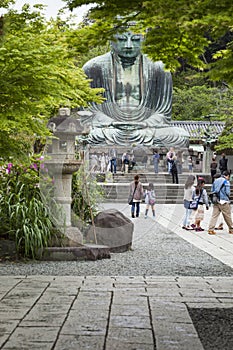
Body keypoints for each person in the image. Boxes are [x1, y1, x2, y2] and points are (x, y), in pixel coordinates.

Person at [79, 30, 189, 148]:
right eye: (121, 39)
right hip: (110, 129)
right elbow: (89, 112)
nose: (128, 45)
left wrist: (144, 124)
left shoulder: (159, 67)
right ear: (111, 41)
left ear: (143, 40)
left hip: (145, 129)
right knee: (94, 135)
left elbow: (163, 113)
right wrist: (113, 123)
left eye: (135, 39)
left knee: (180, 136)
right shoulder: (93, 67)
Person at [208, 170, 233, 235]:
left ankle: (211, 229)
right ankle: (231, 229)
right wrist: (228, 197)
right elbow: (227, 192)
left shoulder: (216, 181)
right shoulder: (226, 182)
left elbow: (212, 190)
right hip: (224, 201)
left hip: (216, 200)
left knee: (214, 216)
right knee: (227, 216)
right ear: (227, 176)